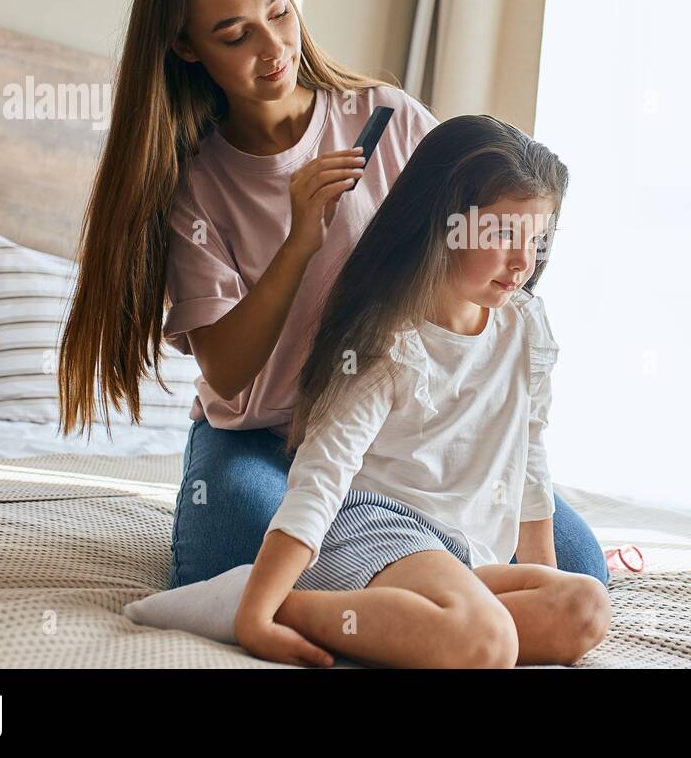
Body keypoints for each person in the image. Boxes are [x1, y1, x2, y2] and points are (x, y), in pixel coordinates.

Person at [54, 0, 609, 629]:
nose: (273, 46)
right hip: (265, 435)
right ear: (186, 48)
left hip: (396, 437)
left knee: (580, 571)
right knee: (245, 544)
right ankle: (402, 613)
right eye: (235, 34)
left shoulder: (389, 120)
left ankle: (431, 614)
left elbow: (485, 269)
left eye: (279, 11)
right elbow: (228, 374)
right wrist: (297, 243)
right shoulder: (195, 187)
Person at [230, 114, 610, 668]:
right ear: (444, 224)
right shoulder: (389, 339)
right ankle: (271, 606)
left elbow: (530, 458)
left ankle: (432, 628)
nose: (524, 263)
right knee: (488, 641)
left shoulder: (525, 326)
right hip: (378, 527)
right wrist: (256, 615)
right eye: (502, 234)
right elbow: (323, 472)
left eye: (538, 239)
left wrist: (543, 580)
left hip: (463, 553)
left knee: (585, 606)